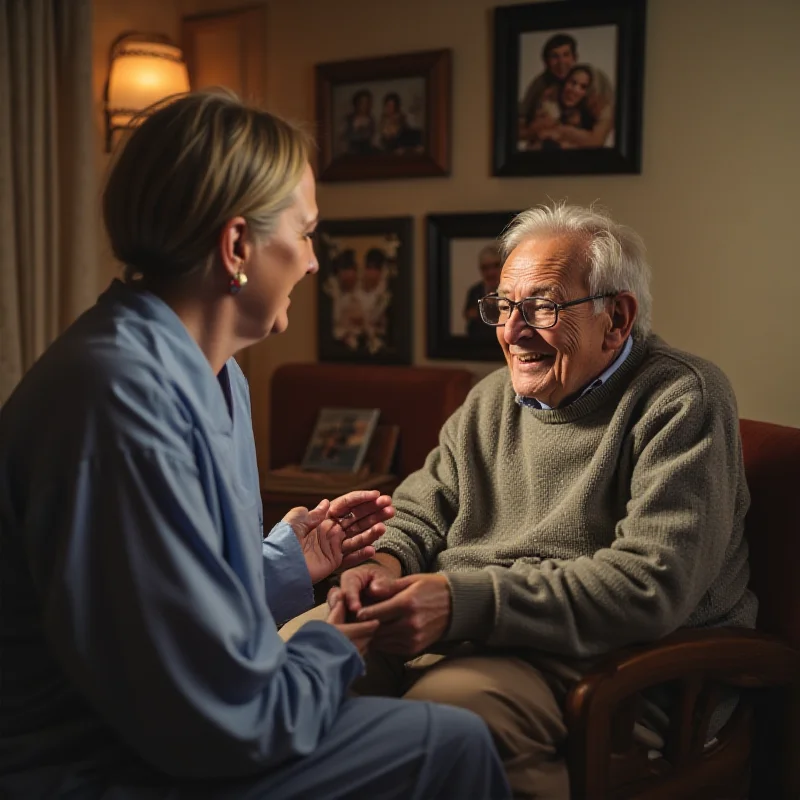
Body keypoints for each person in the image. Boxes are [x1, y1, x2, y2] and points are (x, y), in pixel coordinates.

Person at [0, 90, 511, 800]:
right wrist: (333, 641)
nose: (312, 264)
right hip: (98, 765)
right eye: (305, 235)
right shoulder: (117, 404)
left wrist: (280, 567)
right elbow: (218, 718)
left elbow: (167, 614)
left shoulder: (222, 380)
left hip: (166, 731)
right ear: (237, 246)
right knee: (445, 743)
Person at [289, 203, 757, 799]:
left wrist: (459, 602)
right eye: (503, 306)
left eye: (542, 306)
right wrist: (378, 570)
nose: (512, 331)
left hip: (609, 665)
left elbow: (652, 584)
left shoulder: (681, 398)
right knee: (291, 664)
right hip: (467, 632)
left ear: (616, 318)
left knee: (447, 720)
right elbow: (415, 514)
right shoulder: (490, 400)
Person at [518, 34, 614, 148]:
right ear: (546, 62)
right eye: (554, 56)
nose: (561, 62)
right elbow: (522, 127)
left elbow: (598, 138)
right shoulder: (542, 87)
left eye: (566, 55)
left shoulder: (596, 83)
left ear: (575, 57)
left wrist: (559, 131)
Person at [463, 244, 503, 342]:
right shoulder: (475, 291)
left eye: (495, 266)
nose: (490, 272)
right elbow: (468, 314)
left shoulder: (510, 291)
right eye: (485, 268)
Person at [357, 247, 391, 354]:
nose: (371, 272)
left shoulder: (386, 296)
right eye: (369, 267)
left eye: (376, 268)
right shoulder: (355, 292)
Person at [342, 88, 377, 155]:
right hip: (351, 153)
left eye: (367, 103)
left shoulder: (371, 120)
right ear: (357, 104)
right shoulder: (349, 119)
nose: (365, 106)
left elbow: (372, 137)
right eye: (362, 102)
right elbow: (344, 138)